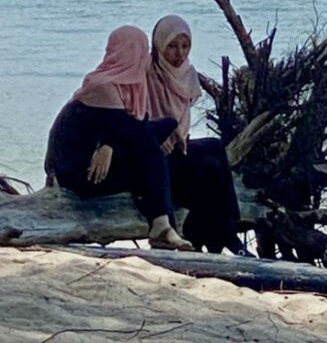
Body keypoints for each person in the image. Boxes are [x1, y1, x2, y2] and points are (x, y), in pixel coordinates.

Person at [44, 25, 193, 250]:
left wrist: (108, 145)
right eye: (142, 51)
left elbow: (131, 128)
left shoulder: (128, 87)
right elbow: (132, 130)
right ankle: (162, 226)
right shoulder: (102, 86)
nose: (145, 58)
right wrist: (110, 144)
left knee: (163, 140)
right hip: (78, 173)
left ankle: (166, 226)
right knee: (151, 152)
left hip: (99, 164)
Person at [147, 14, 243, 254]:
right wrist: (159, 137)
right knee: (210, 169)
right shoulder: (147, 74)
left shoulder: (187, 74)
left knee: (215, 147)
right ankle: (227, 237)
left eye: (185, 46)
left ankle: (227, 232)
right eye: (172, 46)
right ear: (159, 45)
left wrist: (177, 136)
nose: (180, 54)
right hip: (156, 157)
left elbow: (181, 122)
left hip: (179, 147)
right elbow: (138, 117)